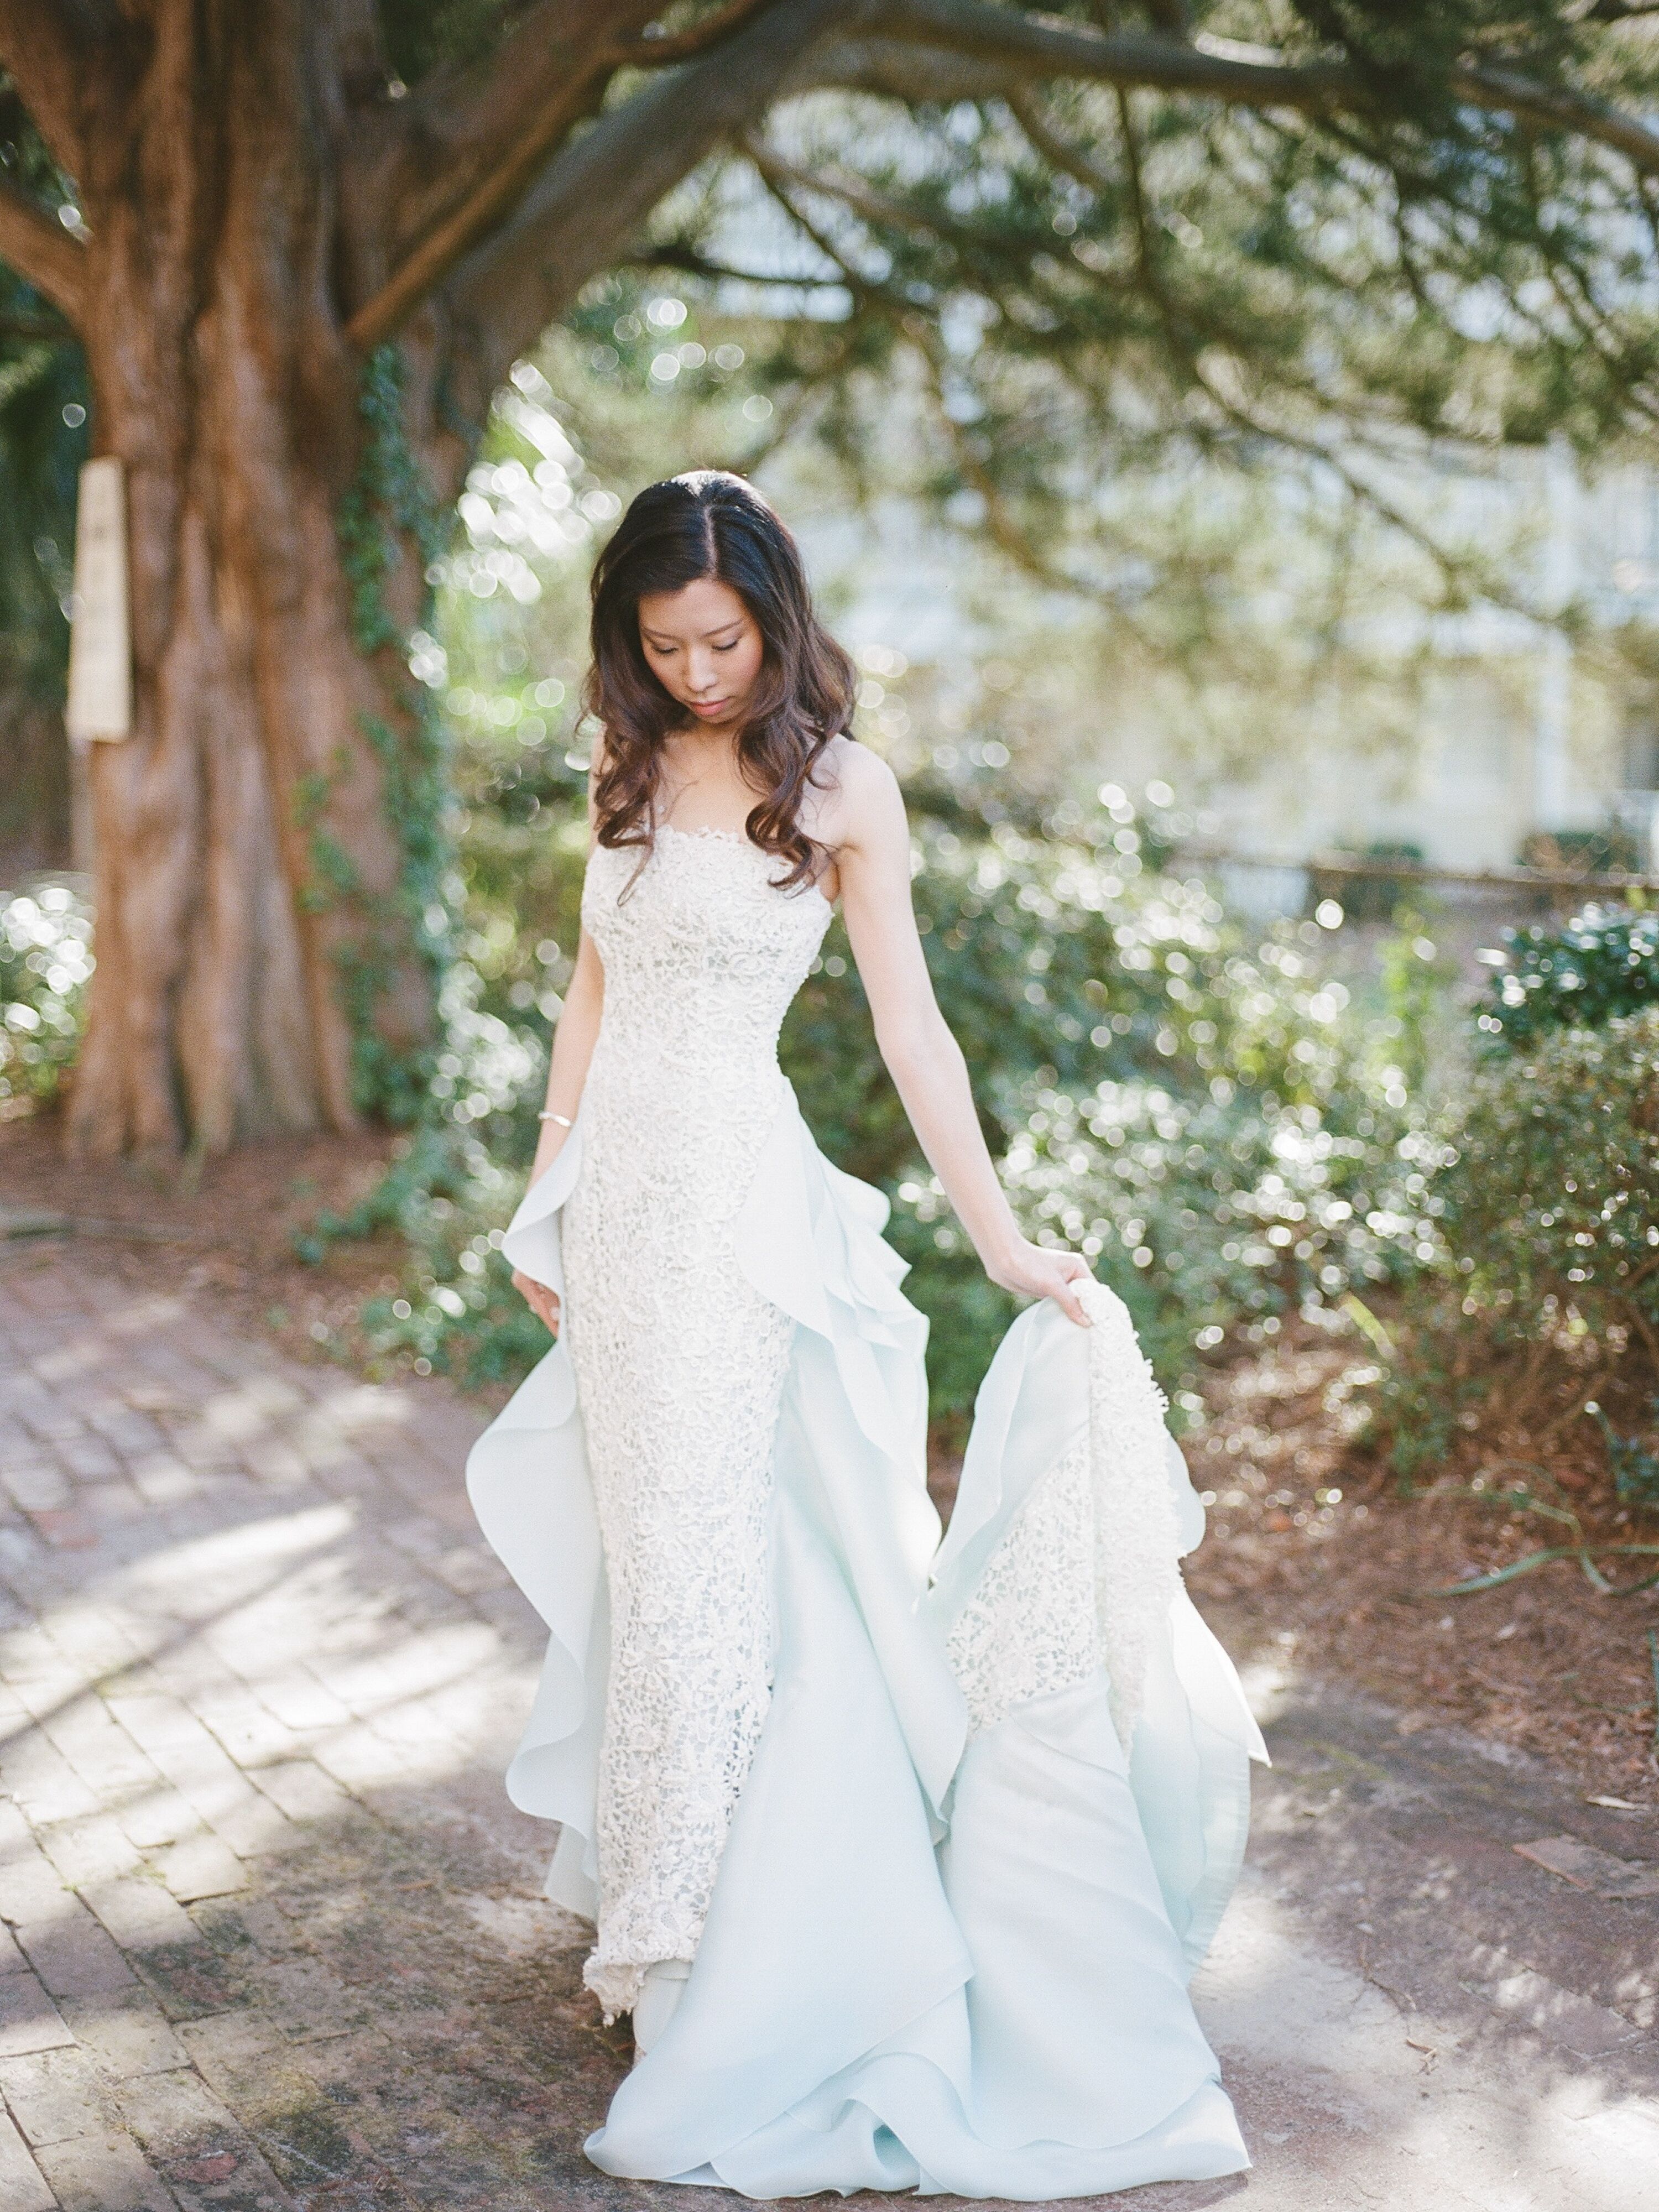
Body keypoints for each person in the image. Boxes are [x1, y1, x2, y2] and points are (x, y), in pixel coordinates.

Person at [467, 469, 1266, 2197]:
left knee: (717, 1570)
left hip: (739, 1220)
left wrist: (1005, 1245)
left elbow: (914, 1035)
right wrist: (548, 1198)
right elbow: (590, 989)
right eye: (665, 643)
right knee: (658, 1562)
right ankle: (675, 1922)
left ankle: (712, 1973)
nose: (697, 672)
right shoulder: (624, 766)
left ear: (778, 620)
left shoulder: (840, 791)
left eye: (724, 640)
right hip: (620, 1221)